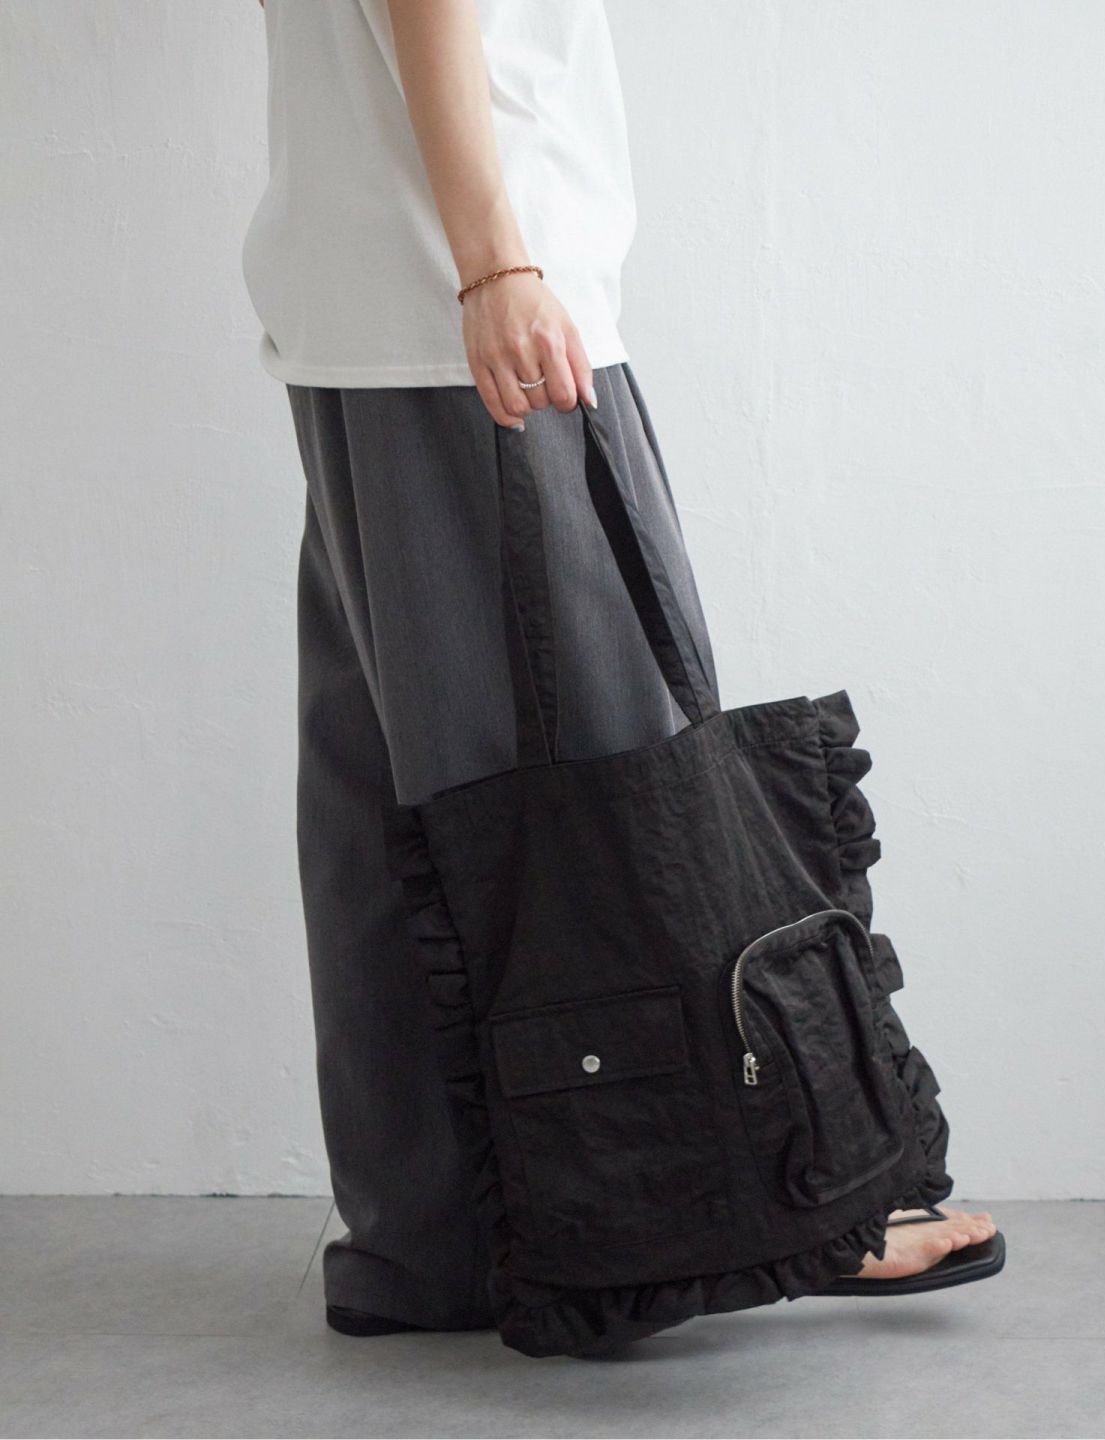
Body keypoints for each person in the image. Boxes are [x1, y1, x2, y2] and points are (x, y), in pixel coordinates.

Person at [241, 0, 998, 1337]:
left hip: (380, 305)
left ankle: (433, 1247)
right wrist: (495, 265)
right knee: (623, 771)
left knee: (409, 815)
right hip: (475, 309)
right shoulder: (483, 284)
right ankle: (762, 1213)